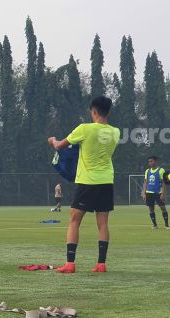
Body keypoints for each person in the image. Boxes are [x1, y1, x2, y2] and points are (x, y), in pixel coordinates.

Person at [47, 96, 120, 273]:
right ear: (109, 112)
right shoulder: (115, 132)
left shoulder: (84, 129)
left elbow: (60, 146)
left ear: (93, 111)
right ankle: (101, 264)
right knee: (103, 224)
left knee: (74, 221)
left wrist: (53, 141)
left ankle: (70, 263)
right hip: (106, 180)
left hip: (87, 181)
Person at [141, 156, 170, 229]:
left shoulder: (161, 170)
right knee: (151, 209)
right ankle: (155, 225)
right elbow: (145, 182)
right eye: (149, 162)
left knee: (163, 208)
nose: (150, 163)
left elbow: (164, 182)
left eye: (151, 161)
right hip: (149, 192)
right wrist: (143, 193)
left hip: (158, 193)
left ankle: (166, 225)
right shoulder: (147, 171)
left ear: (156, 161)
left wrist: (163, 194)